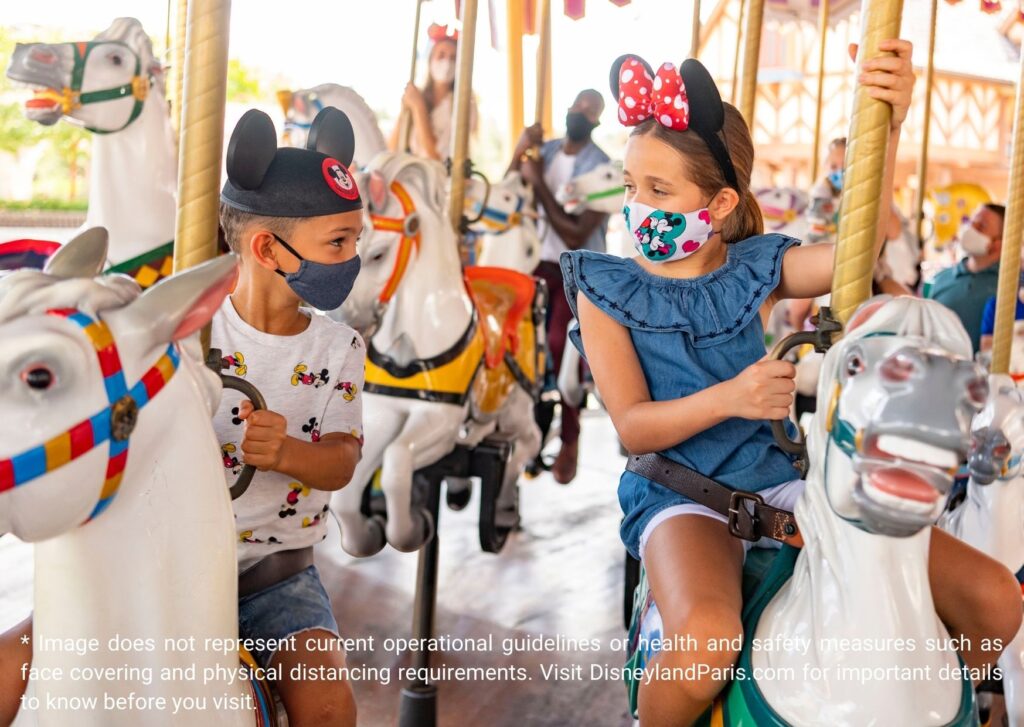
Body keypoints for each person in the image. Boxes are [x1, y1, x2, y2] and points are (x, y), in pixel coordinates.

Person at [563, 45, 1021, 726]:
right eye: (633, 187)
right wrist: (734, 397)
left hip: (775, 479)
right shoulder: (605, 286)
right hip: (678, 490)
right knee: (708, 642)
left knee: (994, 596)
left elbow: (853, 255)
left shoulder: (755, 267)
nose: (637, 206)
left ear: (718, 203)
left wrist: (888, 129)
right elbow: (632, 425)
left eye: (659, 191)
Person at [213, 108, 365, 725]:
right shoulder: (191, 337)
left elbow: (342, 459)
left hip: (277, 582)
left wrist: (287, 455)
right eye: (338, 242)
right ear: (267, 248)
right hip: (172, 562)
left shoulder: (339, 348)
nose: (353, 258)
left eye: (357, 241)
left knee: (329, 708)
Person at [509, 88, 610, 484]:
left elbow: (574, 234)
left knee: (559, 344)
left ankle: (570, 435)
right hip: (533, 262)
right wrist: (519, 151)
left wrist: (539, 186)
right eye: (578, 105)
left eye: (590, 110)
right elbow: (506, 190)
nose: (581, 112)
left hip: (573, 270)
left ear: (598, 121)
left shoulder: (602, 169)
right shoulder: (544, 152)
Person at [388, 23, 477, 161]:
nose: (447, 62)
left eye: (453, 58)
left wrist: (418, 108)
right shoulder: (417, 97)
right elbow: (391, 148)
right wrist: (404, 112)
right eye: (441, 55)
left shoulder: (464, 106)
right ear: (431, 59)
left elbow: (438, 155)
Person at [925, 203, 1006, 352]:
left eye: (980, 226)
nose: (970, 229)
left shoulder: (1012, 285)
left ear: (998, 243)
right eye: (971, 222)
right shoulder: (941, 279)